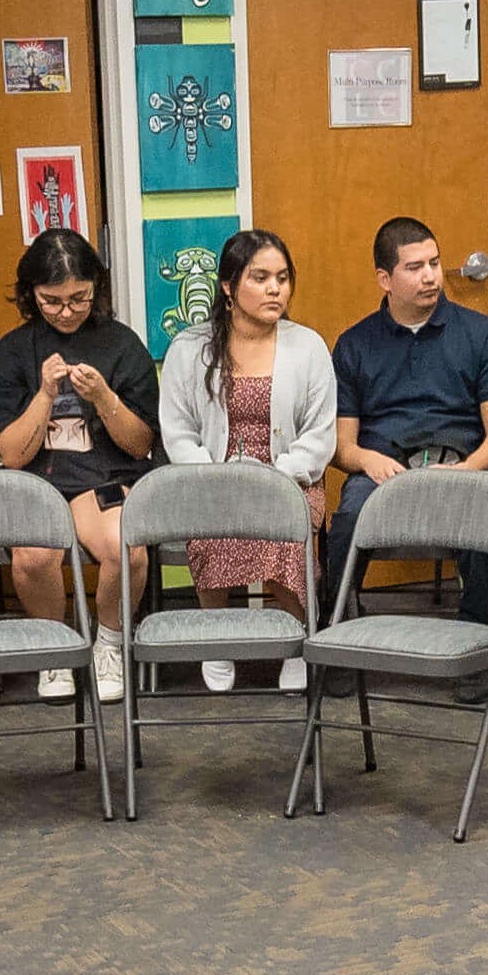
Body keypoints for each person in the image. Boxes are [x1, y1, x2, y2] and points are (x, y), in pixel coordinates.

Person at [154, 228, 335, 694]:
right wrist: (217, 479)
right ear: (229, 287)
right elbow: (178, 431)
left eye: (283, 277)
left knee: (283, 530)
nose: (276, 288)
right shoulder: (189, 349)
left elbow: (320, 435)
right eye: (260, 278)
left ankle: (296, 640)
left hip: (289, 481)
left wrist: (278, 476)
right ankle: (217, 638)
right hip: (213, 482)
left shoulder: (308, 347)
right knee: (213, 529)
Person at [322, 218, 488, 628]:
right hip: (383, 471)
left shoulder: (480, 334)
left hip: (462, 466)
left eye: (434, 262)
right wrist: (365, 461)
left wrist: (467, 470)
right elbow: (342, 446)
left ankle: (476, 633)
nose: (430, 276)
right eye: (414, 268)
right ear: (385, 278)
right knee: (347, 519)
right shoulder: (354, 344)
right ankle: (340, 629)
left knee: (485, 516)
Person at [0, 225, 150, 695]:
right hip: (36, 482)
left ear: (97, 289)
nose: (68, 311)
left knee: (127, 549)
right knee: (33, 557)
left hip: (104, 478)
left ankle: (109, 643)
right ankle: (56, 651)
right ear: (31, 296)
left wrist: (106, 399)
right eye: (52, 301)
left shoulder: (121, 344)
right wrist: (45, 394)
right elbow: (11, 455)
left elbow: (140, 445)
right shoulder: (12, 351)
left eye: (80, 298)